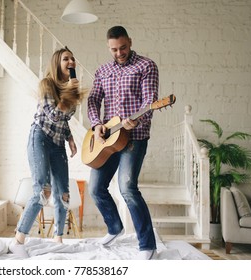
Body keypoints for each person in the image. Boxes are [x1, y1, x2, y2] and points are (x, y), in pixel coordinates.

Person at [87, 26, 158, 260]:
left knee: (127, 188)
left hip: (134, 138)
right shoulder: (103, 70)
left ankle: (147, 244)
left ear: (130, 41)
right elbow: (93, 100)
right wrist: (97, 123)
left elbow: (150, 102)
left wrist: (137, 121)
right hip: (108, 139)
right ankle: (114, 228)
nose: (119, 53)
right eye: (114, 49)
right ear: (109, 47)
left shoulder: (146, 66)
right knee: (96, 189)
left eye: (123, 47)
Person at [9, 47, 85, 257]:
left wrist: (70, 139)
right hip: (40, 138)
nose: (71, 61)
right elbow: (52, 115)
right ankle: (18, 240)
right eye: (65, 58)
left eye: (72, 58)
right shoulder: (46, 84)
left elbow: (64, 120)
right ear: (57, 63)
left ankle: (58, 239)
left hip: (58, 142)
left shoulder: (71, 89)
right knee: (43, 190)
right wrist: (69, 92)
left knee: (63, 193)